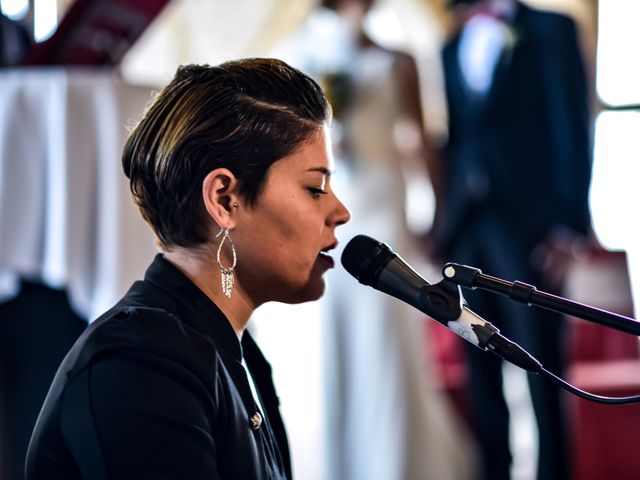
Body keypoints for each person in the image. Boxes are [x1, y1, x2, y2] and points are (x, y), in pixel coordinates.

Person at [25, 58, 350, 480]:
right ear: (225, 199)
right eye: (315, 189)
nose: (341, 212)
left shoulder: (237, 351)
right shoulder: (140, 365)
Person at [299, 1, 474, 479]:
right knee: (344, 338)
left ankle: (400, 463)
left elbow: (421, 142)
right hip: (338, 210)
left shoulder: (400, 60)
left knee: (387, 336)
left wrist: (437, 214)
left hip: (385, 207)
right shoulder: (311, 57)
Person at [434, 0, 593, 479]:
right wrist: (442, 222)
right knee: (480, 372)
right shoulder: (450, 43)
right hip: (469, 231)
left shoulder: (551, 29)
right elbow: (460, 137)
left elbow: (572, 124)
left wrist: (569, 226)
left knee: (543, 373)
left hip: (533, 229)